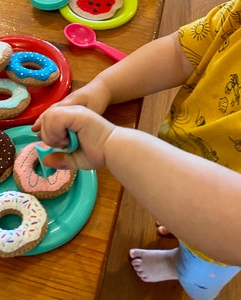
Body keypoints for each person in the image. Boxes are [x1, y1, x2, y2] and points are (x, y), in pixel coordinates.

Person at [32, 0, 241, 298]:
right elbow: (181, 53)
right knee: (177, 213)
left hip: (219, 245)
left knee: (198, 273)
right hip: (177, 162)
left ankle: (179, 265)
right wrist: (105, 86)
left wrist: (110, 145)